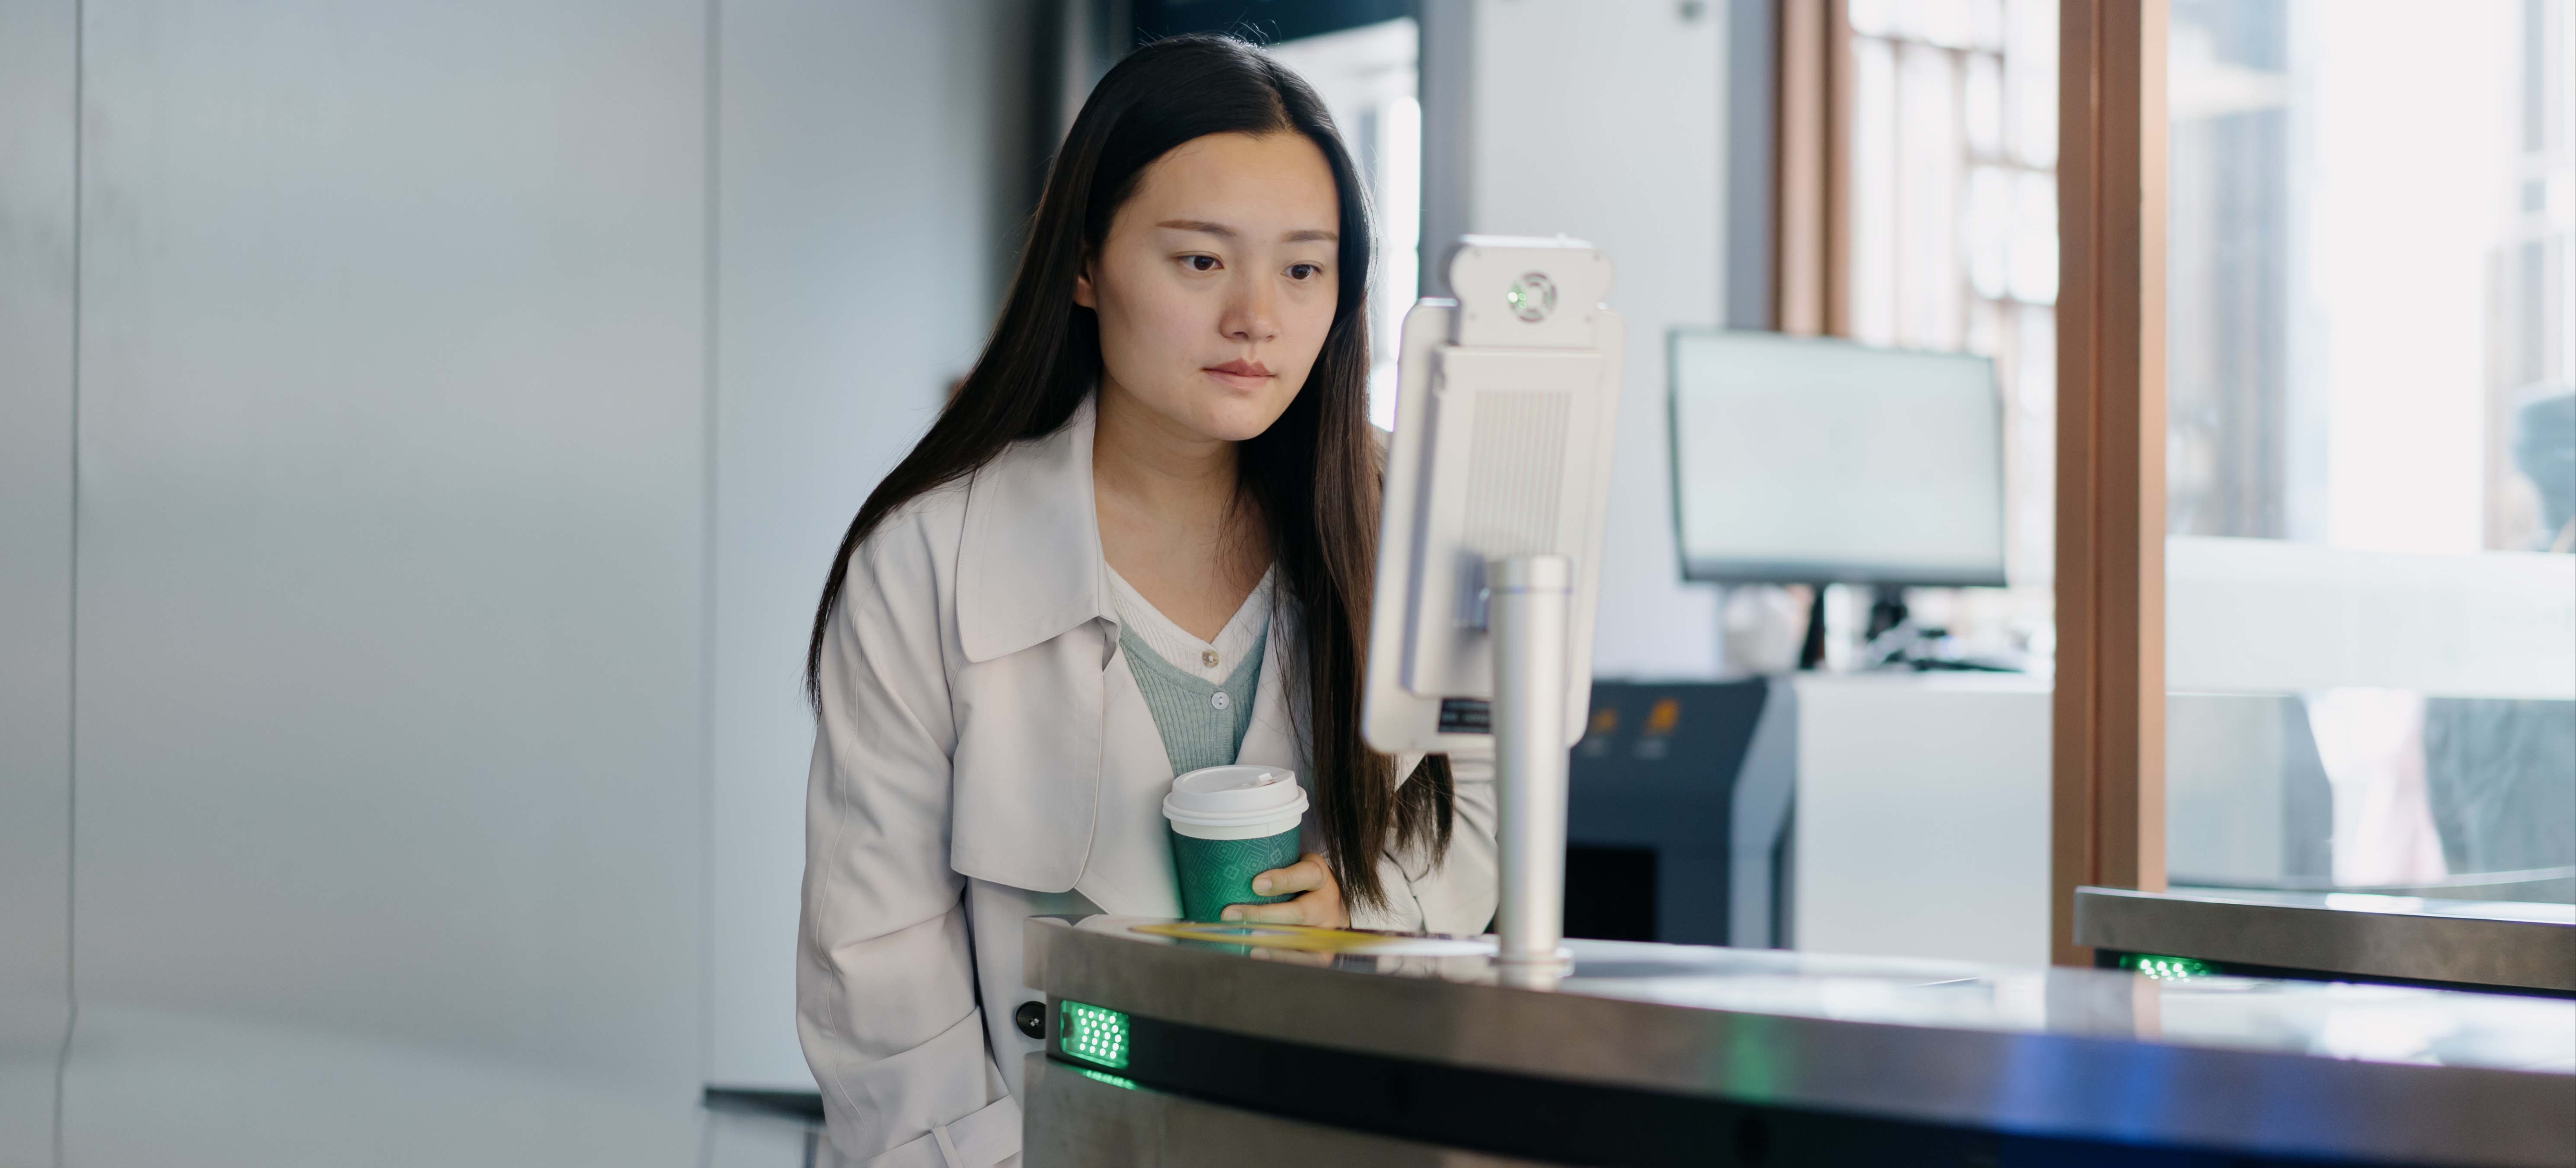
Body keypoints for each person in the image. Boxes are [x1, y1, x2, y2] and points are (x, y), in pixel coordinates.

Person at [795, 35, 1499, 1168]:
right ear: (1086, 264)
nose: (1257, 318)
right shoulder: (929, 555)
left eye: (1304, 270)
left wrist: (1364, 905)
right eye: (1201, 261)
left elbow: (1478, 805)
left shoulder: (1403, 518)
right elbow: (874, 970)